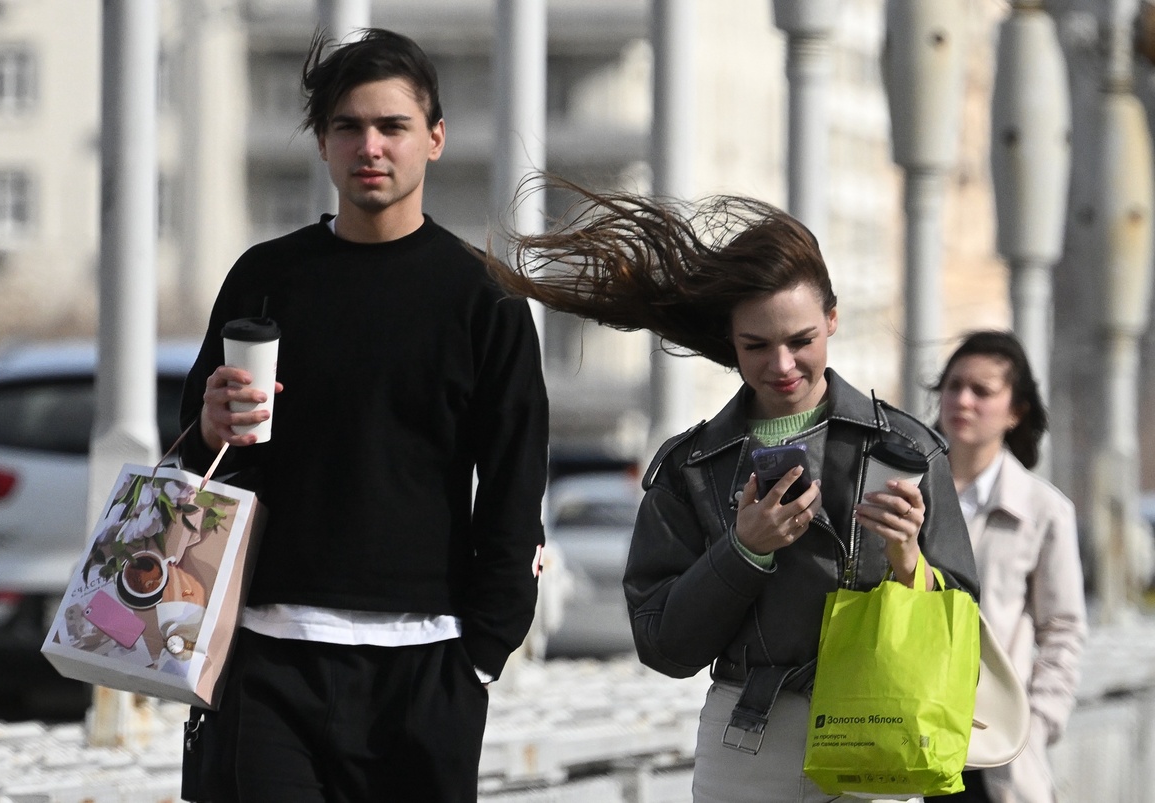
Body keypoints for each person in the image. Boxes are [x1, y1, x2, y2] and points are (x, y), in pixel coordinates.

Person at [486, 179, 979, 802]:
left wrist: (911, 563)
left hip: (878, 729)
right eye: (757, 345)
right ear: (730, 341)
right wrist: (743, 551)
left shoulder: (906, 449)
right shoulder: (693, 465)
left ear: (832, 318)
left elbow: (965, 621)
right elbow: (662, 643)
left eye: (802, 341)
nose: (782, 366)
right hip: (749, 738)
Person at [177, 28, 549, 802]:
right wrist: (210, 426)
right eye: (347, 125)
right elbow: (196, 454)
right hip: (270, 655)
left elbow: (515, 483)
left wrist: (482, 652)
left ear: (435, 139)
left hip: (426, 664)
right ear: (321, 142)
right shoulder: (266, 276)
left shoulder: (485, 299)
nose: (369, 145)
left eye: (393, 126)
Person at [927, 331, 1087, 803]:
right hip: (906, 738)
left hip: (997, 758)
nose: (962, 400)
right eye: (954, 385)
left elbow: (1063, 628)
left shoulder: (1043, 510)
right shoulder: (906, 495)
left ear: (1015, 411)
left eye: (982, 390)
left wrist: (1035, 723)